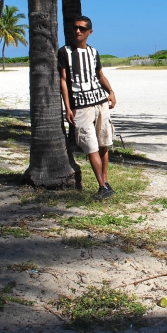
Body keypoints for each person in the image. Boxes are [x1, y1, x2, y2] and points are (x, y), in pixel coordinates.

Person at [58, 16, 117, 200]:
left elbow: (100, 75)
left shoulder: (93, 52)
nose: (77, 31)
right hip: (81, 106)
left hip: (100, 101)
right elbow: (63, 80)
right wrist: (67, 107)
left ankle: (105, 183)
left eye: (82, 29)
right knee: (90, 146)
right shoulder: (65, 52)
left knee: (103, 143)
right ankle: (102, 186)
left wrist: (111, 91)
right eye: (75, 28)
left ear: (89, 32)